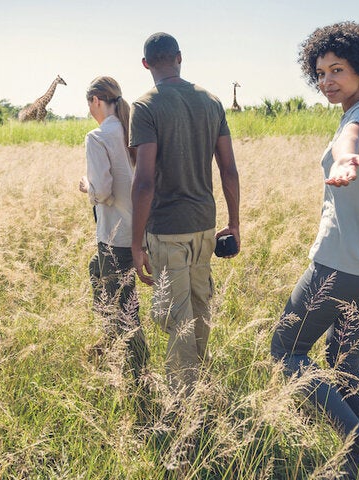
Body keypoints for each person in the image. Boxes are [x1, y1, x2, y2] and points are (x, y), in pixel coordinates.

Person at [269, 22, 359, 479]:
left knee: (286, 351)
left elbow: (353, 137)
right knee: (345, 361)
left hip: (341, 264)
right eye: (321, 72)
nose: (327, 80)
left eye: (338, 70)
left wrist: (345, 155)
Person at [129, 32, 240, 398]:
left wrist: (135, 243)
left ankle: (183, 399)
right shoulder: (211, 101)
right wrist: (234, 223)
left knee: (175, 316)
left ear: (145, 63)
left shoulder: (145, 106)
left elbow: (144, 181)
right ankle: (198, 381)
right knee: (198, 306)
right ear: (179, 57)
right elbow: (228, 170)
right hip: (205, 226)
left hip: (166, 229)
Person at [78, 76, 150, 380]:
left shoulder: (97, 137)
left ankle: (140, 374)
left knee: (125, 309)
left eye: (89, 104)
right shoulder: (133, 131)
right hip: (142, 231)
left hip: (115, 235)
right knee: (96, 270)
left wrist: (86, 186)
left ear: (96, 101)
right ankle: (108, 338)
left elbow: (103, 191)